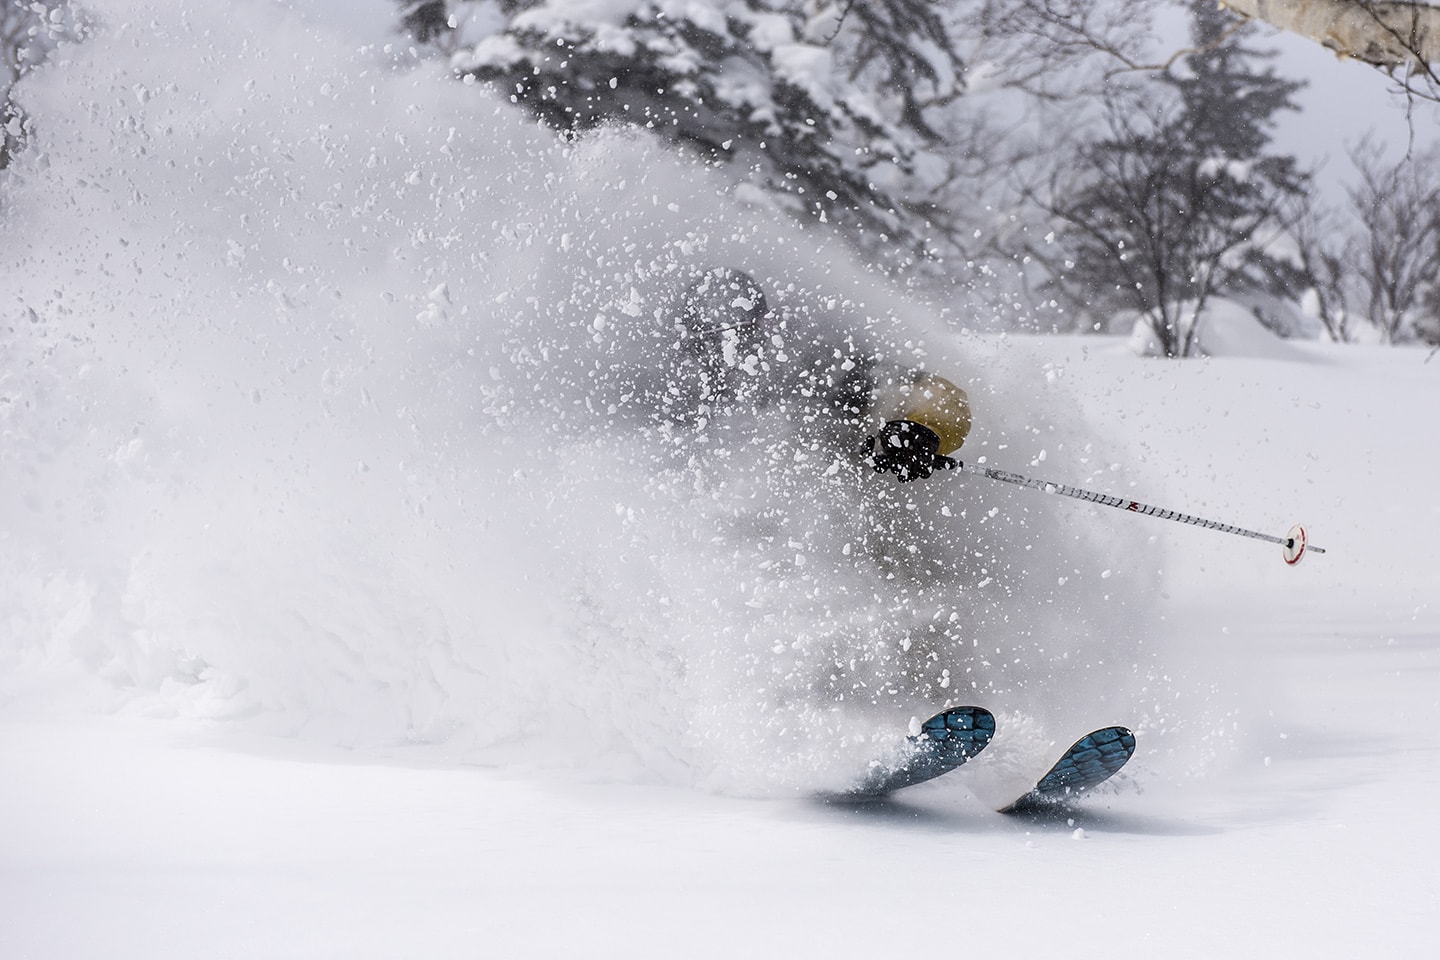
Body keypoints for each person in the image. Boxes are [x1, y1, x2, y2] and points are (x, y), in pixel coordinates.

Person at [670, 267, 973, 482]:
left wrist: (923, 431)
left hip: (843, 525)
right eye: (705, 344)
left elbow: (938, 392)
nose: (720, 354)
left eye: (736, 339)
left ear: (761, 326)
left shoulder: (812, 369)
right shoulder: (677, 401)